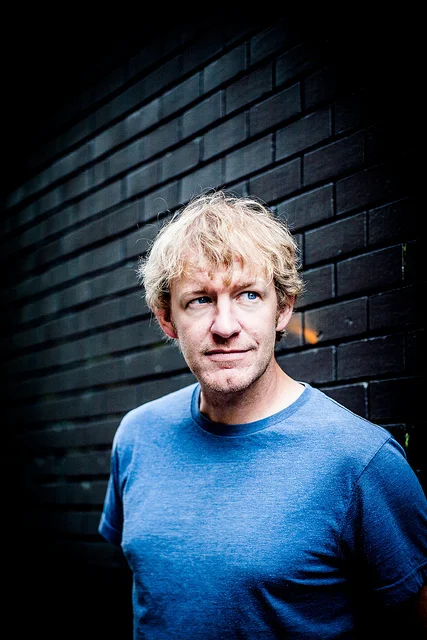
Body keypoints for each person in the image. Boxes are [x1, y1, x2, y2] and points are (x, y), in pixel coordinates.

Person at [98, 190, 427, 639]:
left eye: (249, 295)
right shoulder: (138, 435)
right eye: (200, 300)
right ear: (166, 320)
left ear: (283, 310)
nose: (225, 326)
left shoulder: (361, 462)